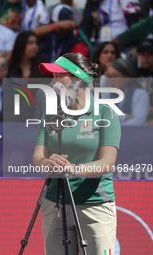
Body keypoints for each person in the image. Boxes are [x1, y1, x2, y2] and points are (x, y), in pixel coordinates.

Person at [34, 52, 121, 255]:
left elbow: (108, 162)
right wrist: (48, 162)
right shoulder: (51, 112)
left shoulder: (105, 112)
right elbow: (38, 158)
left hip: (95, 204)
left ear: (77, 79)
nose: (53, 81)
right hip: (55, 202)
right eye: (52, 77)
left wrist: (74, 169)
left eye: (58, 76)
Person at [103, 58, 150, 125]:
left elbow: (139, 121)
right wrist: (126, 117)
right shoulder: (105, 94)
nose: (111, 80)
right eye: (109, 77)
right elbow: (103, 119)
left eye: (115, 76)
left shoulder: (141, 95)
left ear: (127, 77)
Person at [136, 39, 153, 123]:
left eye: (149, 54)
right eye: (143, 54)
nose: (146, 57)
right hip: (136, 114)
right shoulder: (134, 73)